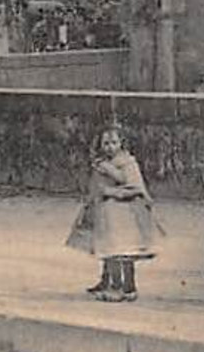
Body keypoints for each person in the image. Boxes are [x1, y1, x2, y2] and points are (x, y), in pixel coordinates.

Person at [66, 127, 162, 302]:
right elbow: (96, 185)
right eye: (106, 143)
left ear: (121, 143)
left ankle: (126, 288)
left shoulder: (127, 163)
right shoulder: (100, 163)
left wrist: (110, 191)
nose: (110, 147)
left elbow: (134, 186)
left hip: (124, 214)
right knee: (107, 248)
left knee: (123, 251)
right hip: (105, 213)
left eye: (114, 143)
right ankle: (107, 281)